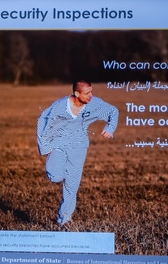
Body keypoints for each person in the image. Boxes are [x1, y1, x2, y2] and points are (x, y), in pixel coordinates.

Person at [36, 80, 119, 228]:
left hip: (79, 147)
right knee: (56, 177)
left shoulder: (94, 104)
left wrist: (110, 128)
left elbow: (113, 111)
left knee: (72, 184)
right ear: (77, 94)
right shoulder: (60, 106)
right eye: (87, 93)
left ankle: (64, 219)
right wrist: (44, 146)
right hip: (59, 145)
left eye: (91, 91)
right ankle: (55, 167)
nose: (91, 95)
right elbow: (42, 119)